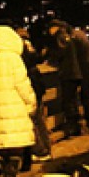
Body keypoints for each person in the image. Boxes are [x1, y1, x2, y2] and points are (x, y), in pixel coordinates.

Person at [0, 26, 37, 177]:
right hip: (15, 107)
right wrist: (31, 103)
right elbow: (23, 84)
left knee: (2, 145)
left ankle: (4, 176)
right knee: (16, 146)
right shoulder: (14, 59)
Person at [45, 19, 89, 137]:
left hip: (70, 72)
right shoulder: (73, 34)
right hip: (83, 69)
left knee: (69, 100)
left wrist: (49, 56)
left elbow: (61, 53)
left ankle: (74, 126)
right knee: (86, 95)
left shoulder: (61, 36)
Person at [17, 27, 52, 164]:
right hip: (37, 83)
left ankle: (40, 150)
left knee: (33, 120)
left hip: (30, 83)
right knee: (39, 119)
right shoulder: (30, 45)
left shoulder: (21, 47)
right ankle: (46, 148)